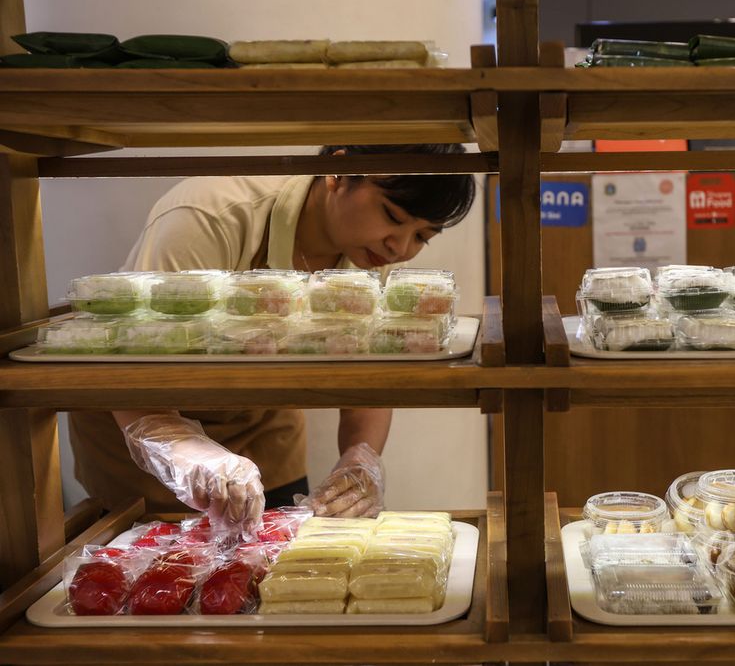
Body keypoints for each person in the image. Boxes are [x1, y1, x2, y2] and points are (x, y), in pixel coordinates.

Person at [67, 143, 476, 534]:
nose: (401, 247)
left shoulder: (373, 252)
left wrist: (360, 457)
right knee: (161, 575)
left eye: (423, 236)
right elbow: (135, 360)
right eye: (391, 215)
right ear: (338, 172)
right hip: (147, 431)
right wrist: (186, 454)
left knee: (267, 573)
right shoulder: (211, 215)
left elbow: (371, 371)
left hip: (261, 431)